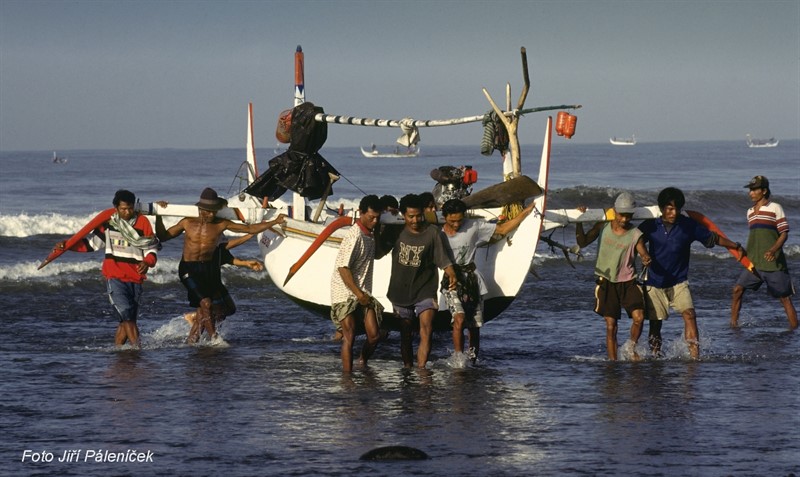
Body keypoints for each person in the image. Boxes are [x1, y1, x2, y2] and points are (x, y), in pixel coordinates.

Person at [156, 187, 285, 343]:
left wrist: (275, 221)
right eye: (207, 211)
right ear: (200, 208)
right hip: (188, 268)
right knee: (206, 303)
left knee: (207, 309)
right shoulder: (187, 223)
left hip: (206, 269)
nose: (210, 214)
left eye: (214, 211)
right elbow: (162, 237)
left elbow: (249, 228)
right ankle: (214, 339)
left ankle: (192, 341)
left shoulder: (221, 224)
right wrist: (158, 215)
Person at [638, 187, 741, 359]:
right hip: (655, 281)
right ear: (662, 208)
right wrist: (643, 254)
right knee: (655, 324)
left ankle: (695, 357)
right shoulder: (651, 225)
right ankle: (655, 356)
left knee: (690, 314)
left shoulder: (688, 225)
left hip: (679, 281)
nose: (674, 212)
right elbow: (635, 239)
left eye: (677, 208)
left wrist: (735, 246)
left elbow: (712, 239)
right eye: (670, 208)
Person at [54, 190, 159, 348]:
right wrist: (68, 245)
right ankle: (138, 351)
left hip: (136, 277)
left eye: (130, 208)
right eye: (123, 209)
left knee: (126, 320)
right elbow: (92, 245)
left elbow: (151, 248)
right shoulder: (109, 224)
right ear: (116, 208)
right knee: (127, 317)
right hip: (114, 277)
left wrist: (148, 261)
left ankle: (118, 353)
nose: (127, 212)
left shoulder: (143, 222)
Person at [440, 198, 536, 363]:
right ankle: (458, 359)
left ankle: (473, 359)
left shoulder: (473, 226)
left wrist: (525, 213)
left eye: (459, 220)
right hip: (451, 280)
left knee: (475, 325)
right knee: (459, 317)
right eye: (452, 220)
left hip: (471, 278)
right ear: (444, 216)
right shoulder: (438, 233)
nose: (456, 224)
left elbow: (501, 230)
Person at [576, 192, 651, 361]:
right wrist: (578, 221)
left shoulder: (635, 234)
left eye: (628, 216)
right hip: (607, 281)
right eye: (622, 215)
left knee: (639, 318)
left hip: (629, 281)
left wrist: (646, 258)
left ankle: (630, 347)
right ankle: (613, 362)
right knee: (611, 326)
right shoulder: (602, 226)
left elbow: (643, 253)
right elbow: (582, 242)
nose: (625, 219)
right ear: (615, 212)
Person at [387, 193, 457, 368]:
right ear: (403, 215)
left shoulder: (433, 233)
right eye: (411, 216)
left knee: (426, 329)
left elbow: (443, 260)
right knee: (406, 334)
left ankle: (422, 370)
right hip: (400, 290)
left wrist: (452, 274)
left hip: (425, 289)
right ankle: (408, 369)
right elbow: (377, 251)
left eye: (419, 215)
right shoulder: (395, 230)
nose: (415, 220)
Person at [731, 176, 797, 330]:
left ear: (764, 190)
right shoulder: (750, 212)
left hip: (773, 263)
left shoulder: (775, 208)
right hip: (754, 263)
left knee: (784, 299)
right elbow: (757, 237)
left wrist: (773, 249)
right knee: (737, 290)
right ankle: (733, 326)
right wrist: (744, 251)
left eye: (754, 189)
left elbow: (784, 233)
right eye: (750, 189)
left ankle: (794, 330)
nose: (751, 193)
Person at [330, 195, 384, 372]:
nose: (375, 221)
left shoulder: (371, 233)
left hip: (362, 291)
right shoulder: (354, 236)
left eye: (378, 217)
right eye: (371, 217)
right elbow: (343, 269)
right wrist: (358, 294)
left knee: (375, 336)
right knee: (349, 336)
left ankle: (362, 361)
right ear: (360, 213)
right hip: (344, 292)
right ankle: (347, 377)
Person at [182, 233, 263, 328]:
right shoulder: (207, 232)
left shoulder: (220, 232)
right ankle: (209, 335)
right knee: (213, 310)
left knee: (229, 309)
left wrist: (246, 263)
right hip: (201, 276)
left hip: (214, 277)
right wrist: (251, 234)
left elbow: (226, 257)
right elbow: (225, 246)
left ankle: (198, 322)